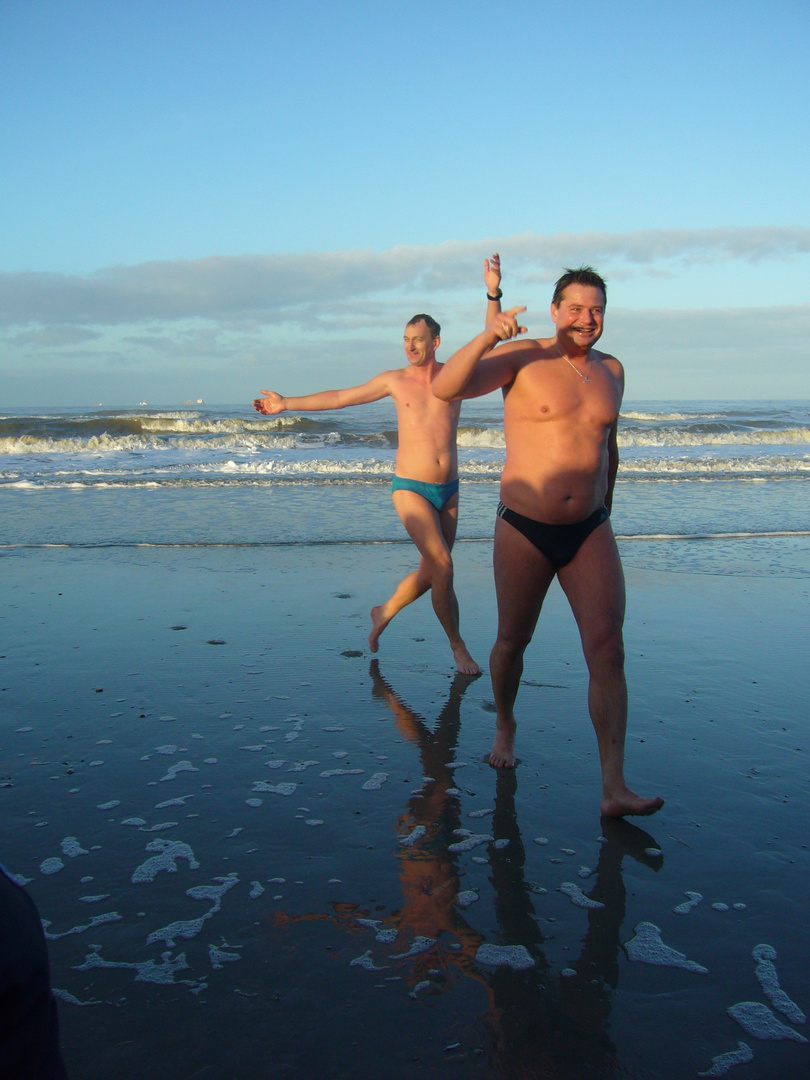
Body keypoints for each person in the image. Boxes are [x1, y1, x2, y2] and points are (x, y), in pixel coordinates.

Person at [432, 256, 664, 817]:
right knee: (512, 642)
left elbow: (608, 447)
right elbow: (445, 386)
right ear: (556, 310)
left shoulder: (613, 370)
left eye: (597, 310)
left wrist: (606, 509)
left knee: (608, 649)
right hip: (524, 528)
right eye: (576, 308)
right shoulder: (523, 356)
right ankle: (505, 725)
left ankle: (614, 787)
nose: (587, 319)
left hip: (590, 529)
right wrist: (489, 330)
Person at [253, 315, 481, 675]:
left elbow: (489, 345)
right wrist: (286, 403)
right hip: (411, 488)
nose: (409, 346)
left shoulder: (455, 377)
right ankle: (458, 647)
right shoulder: (395, 380)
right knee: (444, 566)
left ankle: (384, 612)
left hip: (449, 490)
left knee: (431, 570)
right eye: (405, 338)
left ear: (436, 342)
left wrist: (493, 298)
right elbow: (342, 397)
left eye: (418, 339)